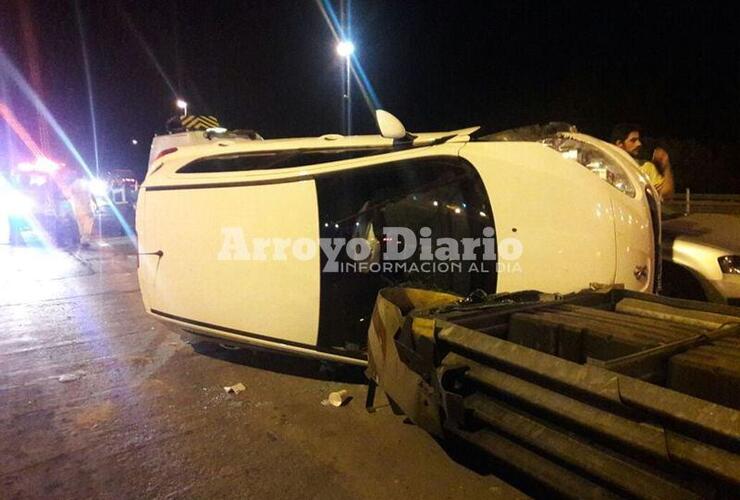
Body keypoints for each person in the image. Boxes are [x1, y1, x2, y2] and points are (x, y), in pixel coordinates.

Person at [611, 123, 675, 198]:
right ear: (619, 144)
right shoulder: (606, 165)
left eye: (638, 140)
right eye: (633, 140)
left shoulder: (646, 167)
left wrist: (666, 167)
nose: (639, 144)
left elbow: (666, 195)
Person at [60, 168, 97, 248]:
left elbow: (67, 196)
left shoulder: (73, 185)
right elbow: (92, 195)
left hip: (77, 209)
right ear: (83, 176)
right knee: (88, 223)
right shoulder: (87, 184)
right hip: (87, 208)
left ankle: (82, 239)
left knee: (80, 224)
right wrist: (96, 204)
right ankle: (85, 240)